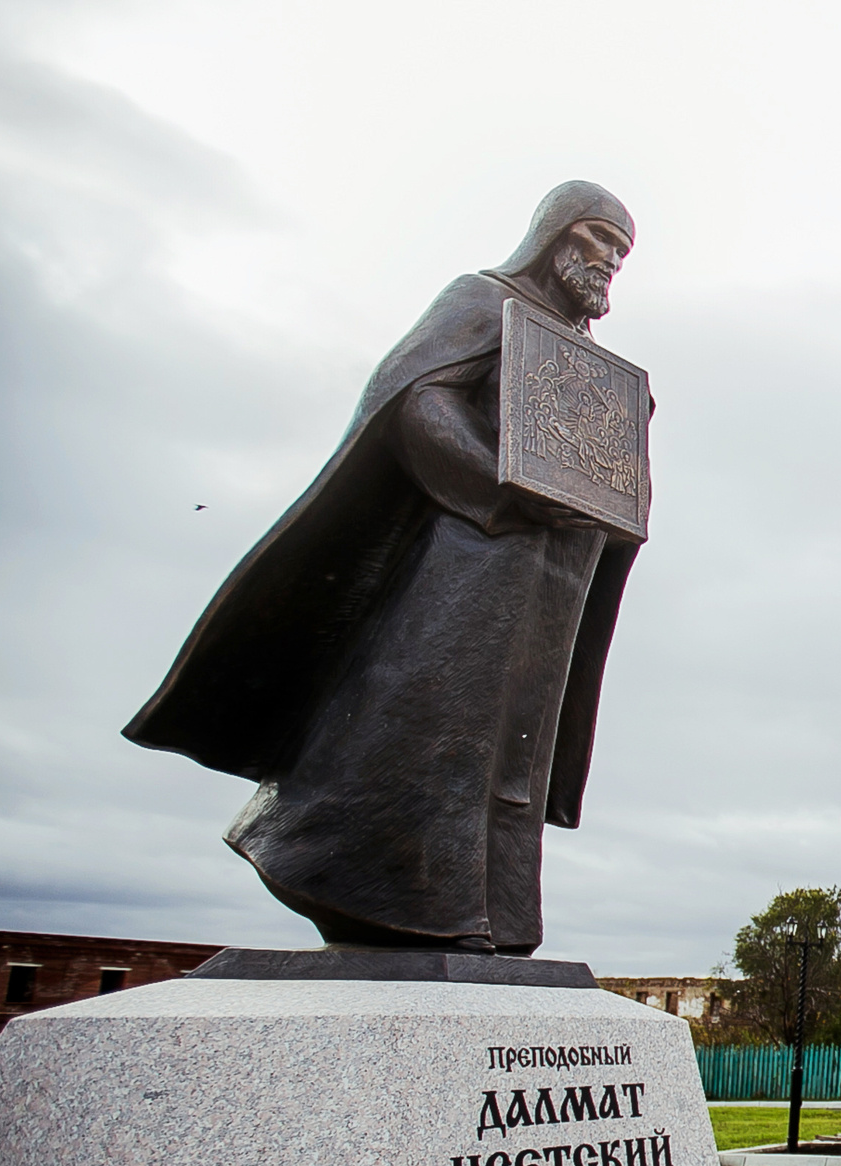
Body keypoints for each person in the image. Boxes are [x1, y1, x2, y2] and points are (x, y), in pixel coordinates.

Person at [125, 182, 646, 954]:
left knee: (513, 743)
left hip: (550, 579)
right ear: (554, 232)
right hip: (469, 563)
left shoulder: (585, 358)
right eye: (600, 236)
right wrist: (499, 484)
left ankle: (489, 915)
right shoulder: (483, 300)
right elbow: (414, 400)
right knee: (432, 716)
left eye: (623, 250)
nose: (610, 259)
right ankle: (346, 870)